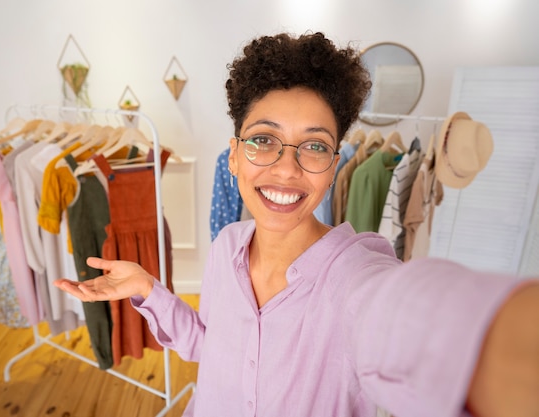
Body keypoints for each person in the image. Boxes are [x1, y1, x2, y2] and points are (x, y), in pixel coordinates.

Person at [54, 32, 539, 417]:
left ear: (333, 167)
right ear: (234, 159)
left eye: (314, 145)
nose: (287, 169)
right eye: (264, 140)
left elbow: (411, 317)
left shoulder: (355, 278)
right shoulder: (226, 247)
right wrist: (148, 289)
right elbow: (210, 347)